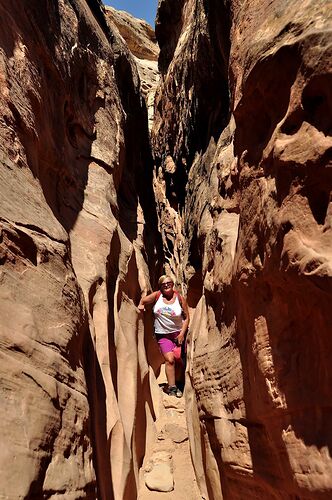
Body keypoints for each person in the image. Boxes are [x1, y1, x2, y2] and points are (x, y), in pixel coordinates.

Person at [138, 275, 189, 397]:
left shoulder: (179, 298)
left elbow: (187, 317)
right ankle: (171, 387)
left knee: (179, 360)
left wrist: (182, 334)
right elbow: (144, 300)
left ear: (172, 283)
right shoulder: (157, 296)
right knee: (169, 360)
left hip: (178, 334)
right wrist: (141, 305)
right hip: (162, 335)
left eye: (168, 283)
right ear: (160, 286)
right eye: (163, 284)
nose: (166, 285)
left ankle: (179, 383)